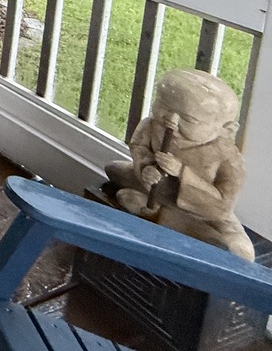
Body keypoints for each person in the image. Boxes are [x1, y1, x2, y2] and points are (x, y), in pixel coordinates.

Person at [105, 68, 255, 260]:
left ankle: (168, 218)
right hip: (154, 188)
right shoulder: (151, 126)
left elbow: (222, 204)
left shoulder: (228, 158)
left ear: (226, 129)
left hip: (202, 212)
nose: (171, 121)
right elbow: (138, 147)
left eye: (188, 119)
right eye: (164, 107)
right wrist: (146, 167)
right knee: (113, 169)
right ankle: (169, 219)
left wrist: (182, 172)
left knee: (242, 251)